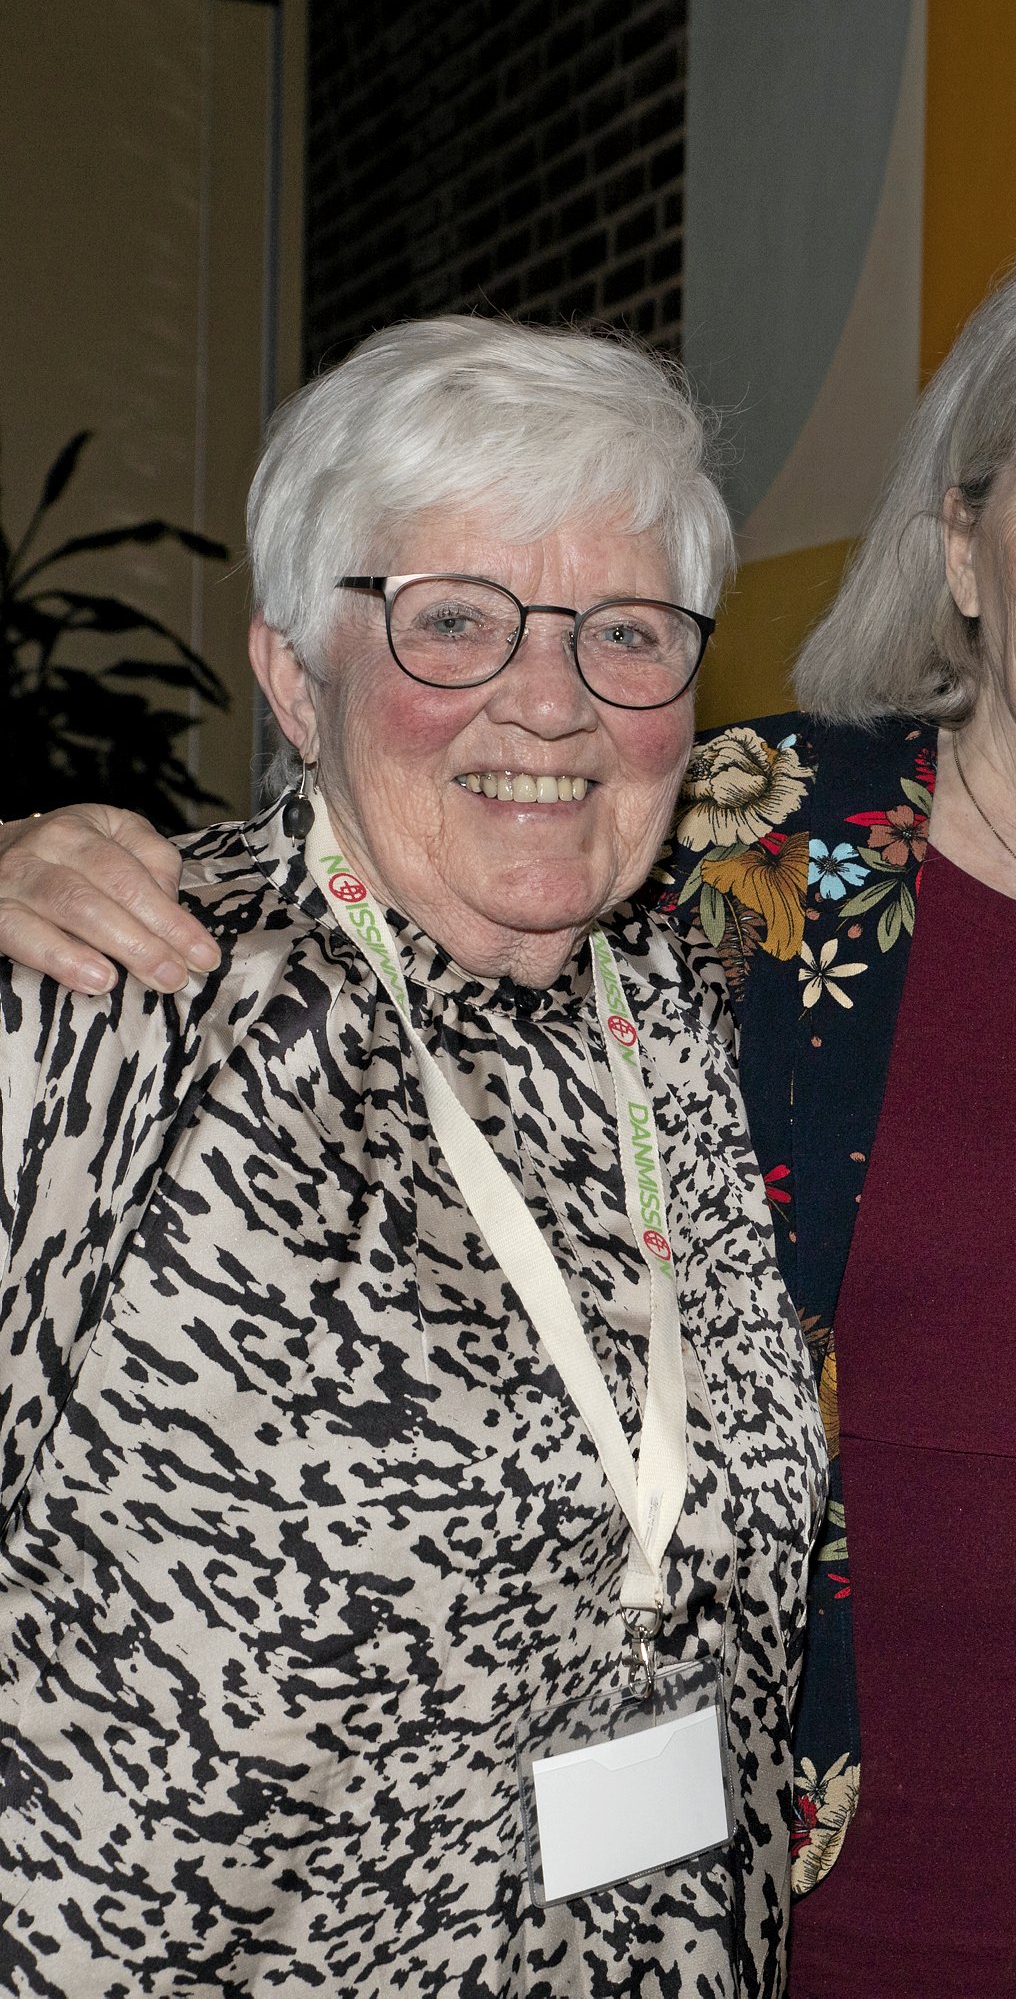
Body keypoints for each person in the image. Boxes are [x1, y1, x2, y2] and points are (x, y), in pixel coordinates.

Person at [0, 254, 1016, 1996]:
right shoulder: (738, 862)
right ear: (964, 549)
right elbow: (407, 864)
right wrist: (38, 858)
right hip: (793, 1913)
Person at [0, 316, 827, 1989]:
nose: (549, 700)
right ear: (298, 676)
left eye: (625, 631)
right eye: (453, 621)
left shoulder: (685, 1023)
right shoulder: (118, 995)